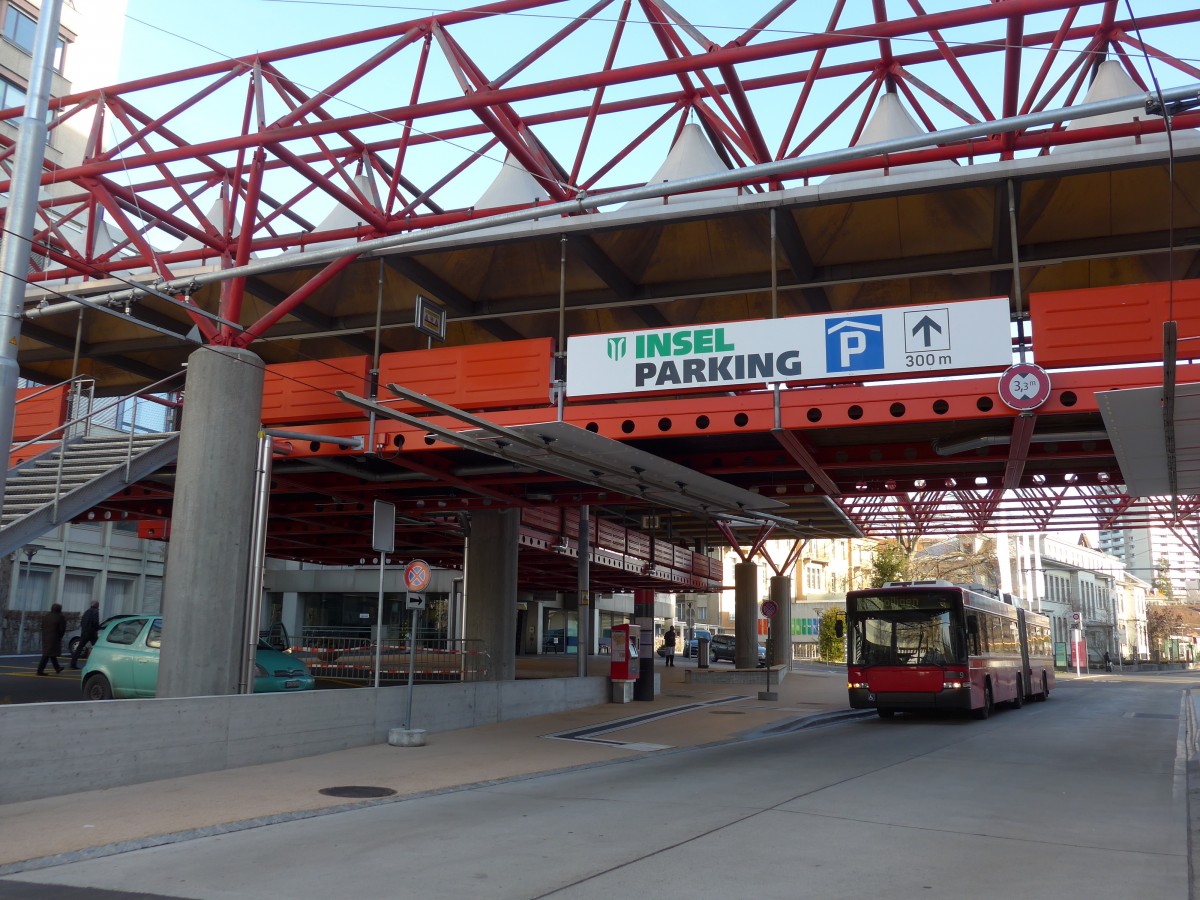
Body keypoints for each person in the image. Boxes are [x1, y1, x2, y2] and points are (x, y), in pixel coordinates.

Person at [37, 602, 66, 676]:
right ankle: (40, 670)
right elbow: (62, 629)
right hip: (54, 637)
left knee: (50, 653)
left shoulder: (47, 616)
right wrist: (60, 636)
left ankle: (57, 667)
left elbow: (42, 626)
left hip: (46, 636)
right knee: (47, 654)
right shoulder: (60, 617)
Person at [71, 600, 101, 669]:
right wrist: (99, 627)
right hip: (92, 633)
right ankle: (97, 662)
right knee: (97, 647)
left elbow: (82, 622)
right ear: (97, 605)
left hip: (84, 632)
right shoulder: (95, 612)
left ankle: (73, 663)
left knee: (79, 648)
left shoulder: (87, 611)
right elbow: (95, 622)